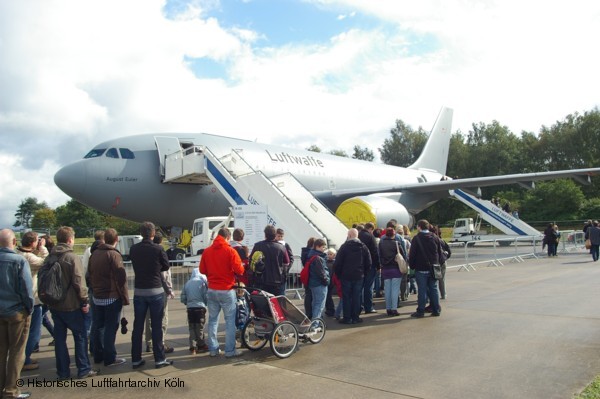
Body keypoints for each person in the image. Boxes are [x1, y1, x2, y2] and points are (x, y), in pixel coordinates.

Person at [45, 226, 98, 379]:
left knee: (60, 340)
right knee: (80, 337)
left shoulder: (50, 257)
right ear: (70, 240)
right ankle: (83, 369)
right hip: (72, 305)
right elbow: (79, 282)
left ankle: (63, 372)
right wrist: (84, 301)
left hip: (55, 305)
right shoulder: (71, 257)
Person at [129, 222, 173, 369]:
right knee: (156, 326)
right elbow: (166, 266)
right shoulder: (158, 249)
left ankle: (136, 358)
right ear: (153, 233)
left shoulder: (134, 249)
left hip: (139, 290)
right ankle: (159, 359)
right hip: (155, 290)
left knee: (138, 326)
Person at [199, 227, 245, 358]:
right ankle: (230, 351)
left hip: (212, 289)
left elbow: (202, 270)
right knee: (230, 321)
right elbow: (240, 270)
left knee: (213, 320)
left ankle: (213, 349)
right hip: (226, 289)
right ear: (228, 237)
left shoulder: (207, 251)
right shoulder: (230, 251)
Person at [88, 228, 129, 367]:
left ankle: (98, 355)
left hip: (97, 296)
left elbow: (89, 275)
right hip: (111, 297)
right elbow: (121, 278)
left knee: (99, 326)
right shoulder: (113, 254)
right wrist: (124, 297)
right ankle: (110, 357)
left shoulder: (94, 254)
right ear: (116, 240)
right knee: (111, 328)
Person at [0, 229, 34, 399]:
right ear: (14, 242)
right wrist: (29, 309)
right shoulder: (18, 260)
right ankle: (11, 390)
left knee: (1, 351)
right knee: (16, 352)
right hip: (16, 313)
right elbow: (26, 290)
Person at [16, 232, 48, 372]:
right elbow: (46, 262)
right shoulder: (29, 257)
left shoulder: (17, 253)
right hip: (33, 299)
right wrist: (43, 248)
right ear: (33, 242)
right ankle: (24, 360)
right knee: (34, 332)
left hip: (18, 299)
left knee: (22, 332)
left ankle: (24, 358)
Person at [334, 228, 372, 325]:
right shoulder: (363, 247)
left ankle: (347, 318)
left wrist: (338, 274)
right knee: (357, 297)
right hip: (359, 275)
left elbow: (337, 263)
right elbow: (369, 262)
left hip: (346, 276)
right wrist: (364, 273)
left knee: (346, 297)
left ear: (349, 235)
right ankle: (355, 317)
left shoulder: (344, 247)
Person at [144, 232, 174, 354]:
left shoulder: (145, 253)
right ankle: (160, 342)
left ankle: (149, 343)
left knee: (149, 318)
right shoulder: (160, 253)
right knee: (162, 317)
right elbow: (165, 275)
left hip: (146, 288)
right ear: (161, 241)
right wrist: (169, 290)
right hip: (160, 289)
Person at [408, 220, 444, 318]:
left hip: (421, 268)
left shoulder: (416, 238)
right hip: (433, 267)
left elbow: (412, 254)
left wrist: (412, 266)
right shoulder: (434, 237)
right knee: (434, 289)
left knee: (422, 290)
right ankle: (436, 309)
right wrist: (438, 263)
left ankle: (421, 311)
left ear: (419, 227)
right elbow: (439, 252)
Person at [249, 225, 290, 296]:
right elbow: (287, 262)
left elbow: (251, 260)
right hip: (277, 280)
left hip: (261, 280)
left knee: (263, 303)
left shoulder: (258, 245)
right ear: (275, 235)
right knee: (277, 304)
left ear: (265, 235)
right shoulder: (281, 247)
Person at [180, 268, 208, 354]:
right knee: (199, 327)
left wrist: (187, 303)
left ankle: (192, 347)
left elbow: (183, 297)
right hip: (200, 309)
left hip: (190, 309)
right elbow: (205, 296)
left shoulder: (187, 283)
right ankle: (201, 345)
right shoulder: (202, 283)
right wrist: (205, 304)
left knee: (192, 328)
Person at [378, 227, 404, 316]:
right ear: (394, 234)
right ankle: (394, 308)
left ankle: (388, 308)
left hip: (385, 269)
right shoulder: (396, 243)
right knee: (395, 290)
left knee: (387, 289)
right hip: (396, 268)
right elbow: (403, 255)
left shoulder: (381, 243)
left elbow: (379, 255)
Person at [358, 222, 380, 314]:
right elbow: (375, 252)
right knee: (368, 287)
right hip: (370, 265)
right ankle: (368, 307)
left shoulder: (357, 236)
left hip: (358, 266)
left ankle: (358, 307)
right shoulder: (371, 237)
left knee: (358, 287)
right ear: (370, 229)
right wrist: (378, 265)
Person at [306, 239, 330, 320]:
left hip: (313, 283)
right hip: (319, 284)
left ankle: (314, 321)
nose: (324, 249)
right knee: (319, 304)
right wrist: (326, 281)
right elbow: (321, 272)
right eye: (323, 247)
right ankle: (315, 324)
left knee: (315, 303)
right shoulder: (318, 258)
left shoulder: (312, 255)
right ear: (317, 247)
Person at [300, 237, 316, 318]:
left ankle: (308, 313)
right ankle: (313, 313)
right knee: (313, 296)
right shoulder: (313, 253)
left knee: (308, 295)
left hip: (306, 275)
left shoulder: (304, 252)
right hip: (312, 276)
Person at [276, 228, 294, 293]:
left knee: (282, 292)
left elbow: (291, 257)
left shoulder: (286, 245)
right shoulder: (273, 244)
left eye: (281, 236)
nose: (280, 238)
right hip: (275, 273)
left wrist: (287, 268)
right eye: (278, 236)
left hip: (283, 273)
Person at [324, 248, 337, 317]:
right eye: (328, 254)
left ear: (334, 255)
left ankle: (331, 310)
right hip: (327, 281)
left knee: (328, 296)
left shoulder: (335, 263)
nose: (329, 255)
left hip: (331, 282)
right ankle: (328, 309)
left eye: (330, 254)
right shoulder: (325, 261)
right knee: (327, 297)